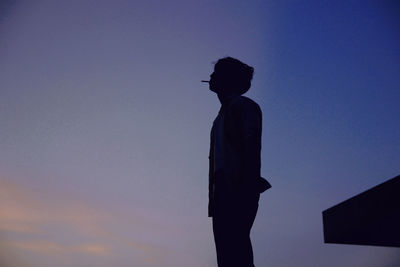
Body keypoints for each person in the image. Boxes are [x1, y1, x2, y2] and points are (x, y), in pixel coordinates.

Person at [206, 57, 270, 267]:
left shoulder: (244, 106)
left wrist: (246, 187)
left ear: (228, 79)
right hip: (222, 193)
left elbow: (251, 147)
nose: (211, 76)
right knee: (226, 257)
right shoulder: (218, 119)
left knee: (237, 253)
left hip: (238, 188)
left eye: (217, 72)